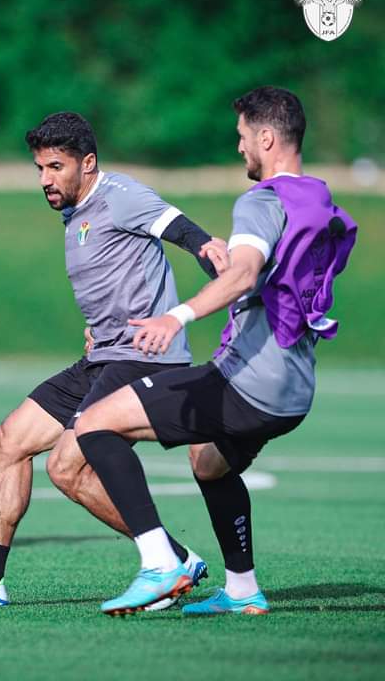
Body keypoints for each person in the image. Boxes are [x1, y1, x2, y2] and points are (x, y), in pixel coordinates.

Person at [0, 111, 224, 608]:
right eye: (40, 168)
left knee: (66, 465)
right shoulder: (76, 210)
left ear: (88, 163)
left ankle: (167, 561)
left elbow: (188, 234)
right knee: (10, 440)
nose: (45, 179)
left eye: (55, 167)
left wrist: (221, 264)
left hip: (144, 357)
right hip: (103, 355)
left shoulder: (121, 194)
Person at [73, 86, 357, 616]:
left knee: (94, 425)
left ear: (266, 138)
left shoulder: (261, 200)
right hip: (294, 390)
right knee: (209, 462)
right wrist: (234, 275)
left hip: (248, 383)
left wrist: (175, 316)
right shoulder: (317, 199)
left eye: (243, 136)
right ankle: (243, 590)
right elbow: (268, 277)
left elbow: (246, 272)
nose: (239, 146)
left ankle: (162, 564)